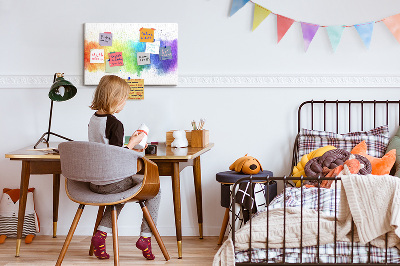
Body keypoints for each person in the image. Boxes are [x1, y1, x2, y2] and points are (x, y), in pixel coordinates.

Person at [88, 75, 161, 260]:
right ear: (115, 99)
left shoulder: (93, 120)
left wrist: (131, 145)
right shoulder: (115, 124)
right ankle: (146, 237)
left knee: (119, 194)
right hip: (111, 182)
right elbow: (117, 156)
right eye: (124, 99)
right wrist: (134, 143)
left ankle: (101, 235)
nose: (124, 103)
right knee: (154, 189)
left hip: (94, 182)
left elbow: (106, 149)